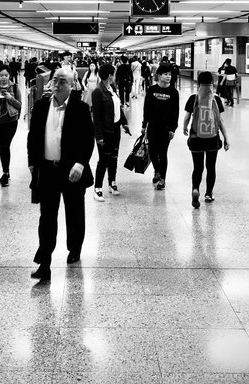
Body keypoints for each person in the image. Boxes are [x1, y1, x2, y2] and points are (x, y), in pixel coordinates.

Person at [27, 67, 94, 281]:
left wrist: (81, 163)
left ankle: (74, 248)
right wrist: (32, 164)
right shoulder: (39, 107)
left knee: (74, 213)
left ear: (73, 84)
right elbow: (33, 137)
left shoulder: (81, 108)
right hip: (47, 170)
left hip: (71, 171)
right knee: (46, 217)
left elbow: (87, 139)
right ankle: (44, 263)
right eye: (55, 80)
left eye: (63, 81)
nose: (57, 84)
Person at [182, 71, 229, 208]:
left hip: (196, 138)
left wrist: (185, 128)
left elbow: (186, 117)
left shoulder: (193, 98)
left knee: (197, 167)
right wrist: (226, 138)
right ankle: (208, 194)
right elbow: (220, 120)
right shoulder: (216, 99)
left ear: (198, 83)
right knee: (211, 166)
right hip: (212, 139)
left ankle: (195, 189)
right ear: (212, 83)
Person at [90, 63, 131, 201]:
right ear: (109, 75)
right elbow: (96, 116)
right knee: (103, 160)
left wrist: (124, 122)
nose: (114, 77)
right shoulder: (97, 92)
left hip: (115, 129)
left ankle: (112, 183)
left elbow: (118, 108)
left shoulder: (112, 88)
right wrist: (99, 136)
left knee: (114, 157)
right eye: (113, 74)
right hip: (105, 132)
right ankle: (97, 188)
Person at [141, 63, 179, 191]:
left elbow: (175, 112)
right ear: (159, 75)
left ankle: (162, 178)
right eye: (165, 74)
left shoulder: (173, 92)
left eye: (170, 74)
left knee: (163, 153)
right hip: (153, 126)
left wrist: (173, 128)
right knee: (152, 152)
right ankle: (157, 170)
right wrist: (144, 125)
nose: (168, 77)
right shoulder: (152, 90)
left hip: (166, 128)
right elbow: (146, 108)